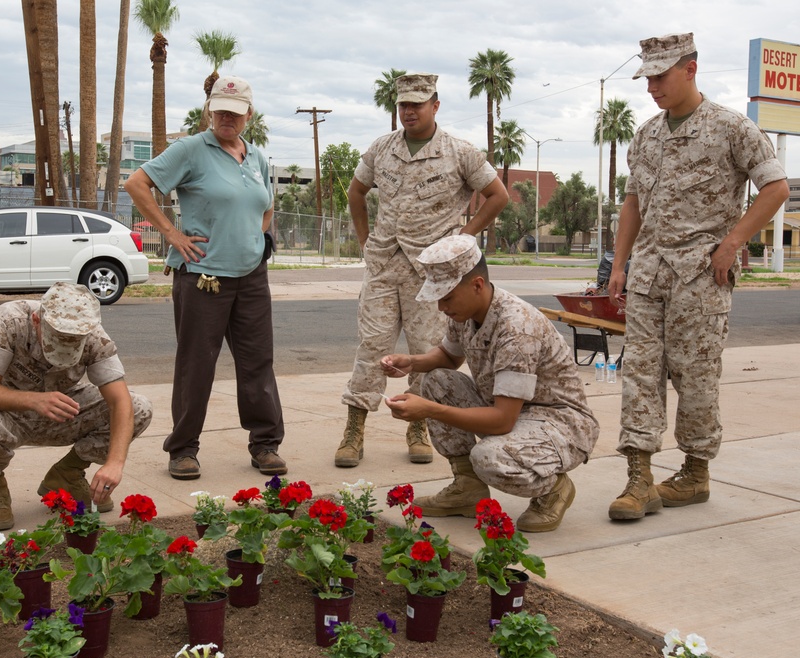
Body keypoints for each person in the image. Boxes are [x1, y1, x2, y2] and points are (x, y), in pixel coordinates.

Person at [607, 33, 789, 521]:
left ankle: (694, 472)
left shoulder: (732, 129)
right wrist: (619, 263)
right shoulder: (645, 135)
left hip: (700, 277)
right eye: (647, 78)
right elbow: (632, 202)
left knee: (696, 378)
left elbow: (776, 187)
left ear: (690, 69)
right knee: (639, 375)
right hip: (648, 276)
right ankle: (639, 478)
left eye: (660, 76)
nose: (652, 87)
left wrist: (733, 244)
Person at [336, 72, 509, 469]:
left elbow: (497, 195)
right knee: (373, 347)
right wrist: (366, 241)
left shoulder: (459, 152)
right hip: (383, 266)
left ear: (435, 104)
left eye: (417, 103)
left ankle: (418, 429)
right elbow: (356, 192)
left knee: (425, 352)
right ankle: (354, 428)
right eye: (403, 105)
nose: (409, 111)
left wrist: (462, 239)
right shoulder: (382, 148)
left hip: (432, 276)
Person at [124, 75, 286, 482]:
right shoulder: (191, 150)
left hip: (251, 275)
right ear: (209, 110)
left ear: (249, 114)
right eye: (220, 109)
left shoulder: (257, 157)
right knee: (197, 364)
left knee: (257, 364)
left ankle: (265, 444)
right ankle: (183, 450)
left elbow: (265, 206)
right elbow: (137, 183)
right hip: (203, 276)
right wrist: (172, 234)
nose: (227, 117)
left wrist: (260, 238)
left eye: (235, 111)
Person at [380, 235, 599, 532]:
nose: (441, 307)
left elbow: (501, 421)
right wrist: (412, 362)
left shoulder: (516, 327)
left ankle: (554, 488)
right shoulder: (466, 312)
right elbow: (448, 356)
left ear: (477, 285)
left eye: (446, 297)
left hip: (560, 423)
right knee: (436, 381)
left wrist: (429, 410)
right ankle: (468, 489)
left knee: (489, 458)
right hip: (515, 412)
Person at [0, 281, 153, 531]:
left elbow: (119, 401)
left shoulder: (95, 337)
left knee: (139, 407)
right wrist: (33, 400)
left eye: (73, 342)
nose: (65, 346)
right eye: (56, 340)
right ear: (37, 320)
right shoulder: (7, 321)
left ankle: (67, 473)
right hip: (6, 413)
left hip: (60, 412)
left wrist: (115, 463)